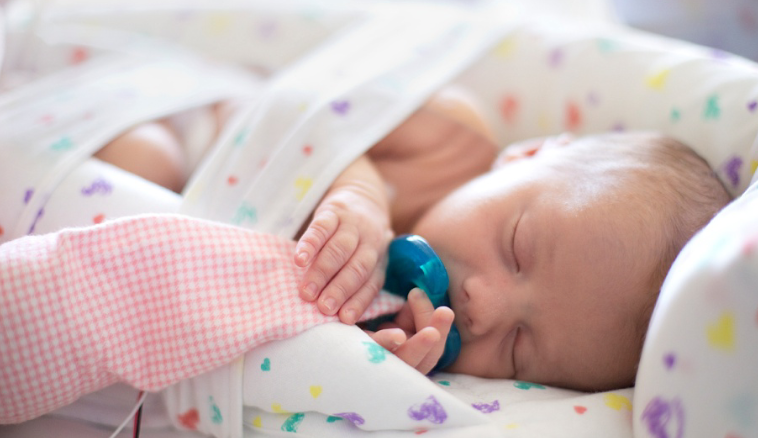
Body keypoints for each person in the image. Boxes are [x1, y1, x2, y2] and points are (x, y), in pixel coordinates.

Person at [94, 86, 731, 392]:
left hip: (184, 268)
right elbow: (285, 109)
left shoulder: (416, 330)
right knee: (148, 162)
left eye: (518, 348)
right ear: (527, 154)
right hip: (193, 134)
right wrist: (359, 190)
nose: (484, 306)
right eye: (517, 249)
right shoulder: (450, 135)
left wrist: (366, 356)